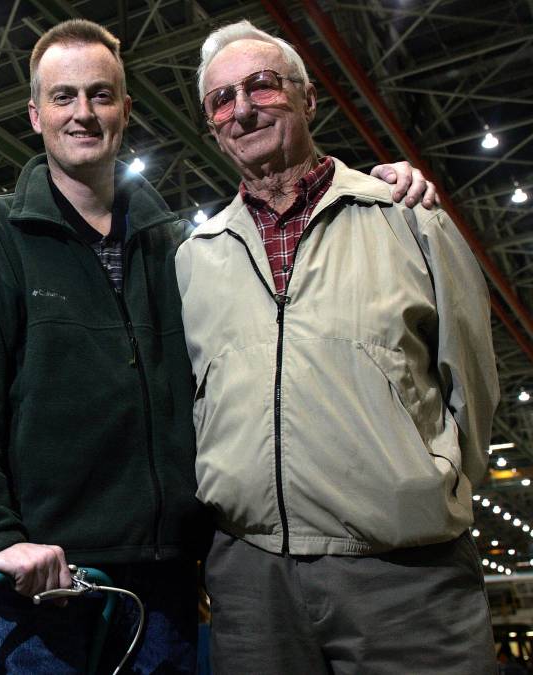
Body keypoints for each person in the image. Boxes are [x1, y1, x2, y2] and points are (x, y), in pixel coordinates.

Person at [0, 18, 436, 674]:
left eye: (101, 96)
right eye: (64, 96)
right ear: (35, 114)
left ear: (126, 110)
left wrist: (377, 188)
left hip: (163, 588)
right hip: (44, 585)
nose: (84, 113)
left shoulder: (183, 249)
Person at [175, 19, 498, 674]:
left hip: (405, 576)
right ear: (212, 124)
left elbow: (473, 383)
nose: (242, 108)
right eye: (221, 99)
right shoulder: (193, 258)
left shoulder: (409, 218)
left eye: (261, 86)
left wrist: (426, 490)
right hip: (251, 583)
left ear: (307, 97)